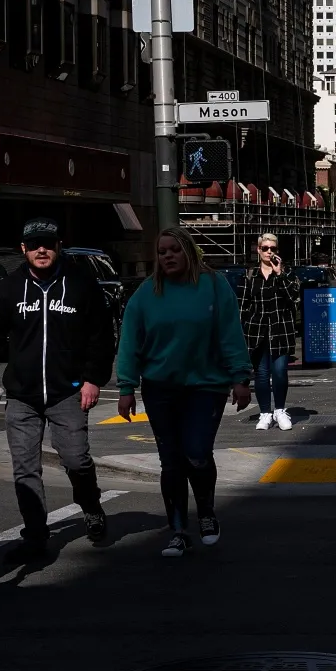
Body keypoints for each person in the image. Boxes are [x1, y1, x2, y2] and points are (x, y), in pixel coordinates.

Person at [0, 217, 113, 562]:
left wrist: (94, 378)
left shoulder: (81, 283)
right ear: (23, 249)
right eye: (34, 244)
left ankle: (91, 504)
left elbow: (101, 335)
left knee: (76, 459)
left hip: (68, 391)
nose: (41, 250)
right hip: (22, 395)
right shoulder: (10, 288)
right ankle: (35, 535)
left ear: (58, 246)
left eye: (48, 244)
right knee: (25, 468)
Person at [114, 227, 253, 558]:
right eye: (162, 252)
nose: (168, 257)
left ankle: (205, 513)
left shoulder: (214, 285)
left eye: (174, 250)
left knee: (197, 452)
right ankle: (177, 529)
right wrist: (126, 386)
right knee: (171, 461)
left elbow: (230, 332)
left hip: (206, 386)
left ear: (188, 251)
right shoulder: (147, 293)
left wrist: (240, 378)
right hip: (161, 388)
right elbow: (130, 342)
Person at [238, 232, 301, 430]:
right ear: (258, 250)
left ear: (277, 251)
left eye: (272, 249)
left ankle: (280, 410)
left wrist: (279, 273)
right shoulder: (249, 275)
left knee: (280, 371)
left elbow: (294, 298)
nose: (268, 252)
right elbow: (243, 307)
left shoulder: (287, 273)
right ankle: (265, 413)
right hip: (256, 332)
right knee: (262, 374)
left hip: (280, 330)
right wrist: (240, 333)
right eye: (265, 248)